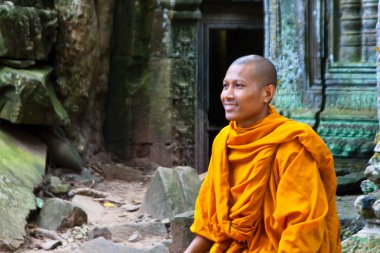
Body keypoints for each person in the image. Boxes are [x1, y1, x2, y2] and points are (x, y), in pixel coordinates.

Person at [184, 55, 341, 253]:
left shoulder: (292, 147)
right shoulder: (223, 140)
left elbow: (302, 229)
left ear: (267, 93)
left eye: (239, 86)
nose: (227, 95)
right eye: (225, 86)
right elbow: (209, 218)